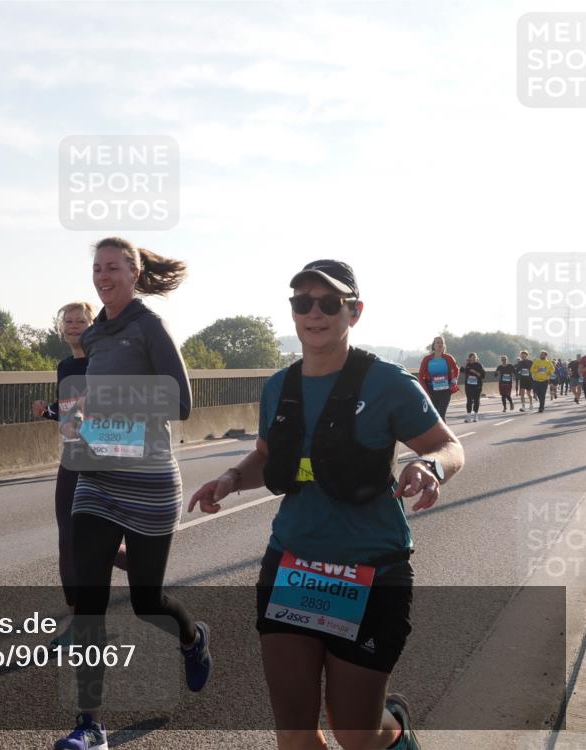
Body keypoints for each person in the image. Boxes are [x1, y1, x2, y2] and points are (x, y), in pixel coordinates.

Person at [189, 259, 464, 750]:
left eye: (329, 303)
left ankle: (395, 731)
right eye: (303, 303)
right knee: (294, 735)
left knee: (355, 734)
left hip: (371, 570)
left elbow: (449, 446)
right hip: (293, 565)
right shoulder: (278, 387)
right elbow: (268, 458)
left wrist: (428, 467)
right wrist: (231, 479)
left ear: (353, 312)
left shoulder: (388, 383)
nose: (315, 313)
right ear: (293, 313)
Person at [53, 238, 211, 750]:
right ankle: (89, 724)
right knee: (90, 601)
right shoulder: (94, 333)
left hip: (149, 481)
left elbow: (182, 402)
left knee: (146, 601)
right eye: (96, 268)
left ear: (134, 272)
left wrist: (110, 403)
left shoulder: (150, 326)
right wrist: (75, 418)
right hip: (97, 478)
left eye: (113, 267)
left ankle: (191, 638)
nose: (102, 276)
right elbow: (88, 404)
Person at [32, 301, 128, 648]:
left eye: (80, 320)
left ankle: (142, 566)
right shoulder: (65, 366)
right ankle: (77, 620)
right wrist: (50, 412)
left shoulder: (105, 362)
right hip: (74, 456)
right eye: (68, 321)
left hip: (106, 458)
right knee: (68, 538)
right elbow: (72, 416)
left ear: (93, 325)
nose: (74, 325)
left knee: (93, 541)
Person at [417, 336, 458, 421]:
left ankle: (443, 434)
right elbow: (421, 376)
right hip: (432, 391)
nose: (440, 344)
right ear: (433, 346)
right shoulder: (427, 359)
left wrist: (454, 381)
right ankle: (439, 433)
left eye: (441, 342)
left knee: (441, 415)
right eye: (438, 342)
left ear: (444, 346)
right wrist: (426, 392)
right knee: (434, 417)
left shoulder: (448, 358)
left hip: (445, 390)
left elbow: (456, 370)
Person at [459, 352, 486, 422]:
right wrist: (466, 363)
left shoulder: (479, 365)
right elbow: (461, 370)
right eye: (472, 357)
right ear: (469, 358)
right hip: (469, 386)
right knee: (469, 400)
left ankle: (475, 416)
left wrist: (475, 372)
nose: (474, 359)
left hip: (477, 386)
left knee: (477, 400)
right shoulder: (467, 365)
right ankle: (468, 416)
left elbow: (483, 375)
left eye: (475, 357)